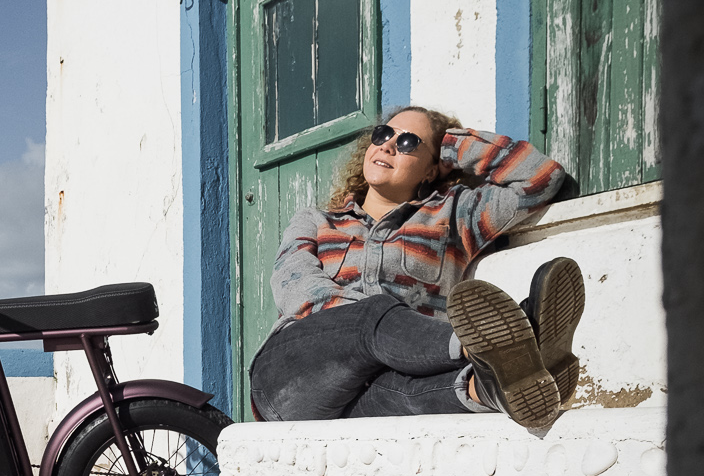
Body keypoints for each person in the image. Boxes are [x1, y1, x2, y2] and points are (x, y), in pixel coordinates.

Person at [248, 106, 586, 429]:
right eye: (382, 134)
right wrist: (393, 334)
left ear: (432, 167)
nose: (389, 145)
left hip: (373, 392)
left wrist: (450, 144)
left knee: (402, 394)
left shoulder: (453, 215)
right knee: (372, 314)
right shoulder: (316, 221)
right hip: (293, 378)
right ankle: (488, 343)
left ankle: (497, 385)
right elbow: (294, 285)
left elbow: (541, 178)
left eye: (409, 142)